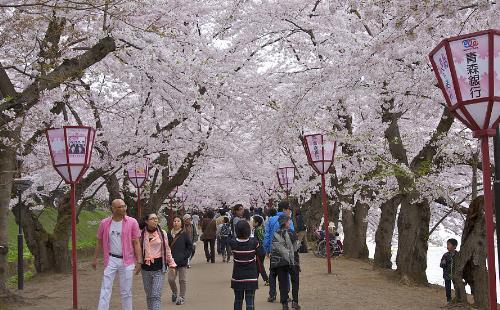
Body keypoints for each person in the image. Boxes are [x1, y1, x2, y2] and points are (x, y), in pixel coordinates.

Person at [93, 199, 142, 310]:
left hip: (127, 261)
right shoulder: (104, 223)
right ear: (113, 208)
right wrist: (95, 258)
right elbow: (99, 241)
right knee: (105, 288)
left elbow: (136, 242)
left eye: (124, 206)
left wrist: (139, 260)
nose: (124, 208)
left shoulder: (132, 222)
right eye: (120, 207)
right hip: (111, 259)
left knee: (126, 291)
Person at [139, 213, 177, 310]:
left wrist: (172, 264)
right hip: (145, 268)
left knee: (155, 295)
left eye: (156, 218)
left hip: (159, 268)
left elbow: (167, 249)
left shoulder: (162, 233)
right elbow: (137, 249)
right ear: (146, 221)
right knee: (149, 295)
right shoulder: (141, 233)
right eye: (152, 219)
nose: (155, 220)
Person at [264, 201, 295, 302]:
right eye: (289, 209)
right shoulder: (288, 220)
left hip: (274, 250)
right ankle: (285, 294)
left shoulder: (271, 220)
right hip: (285, 251)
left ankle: (272, 294)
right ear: (284, 209)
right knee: (286, 273)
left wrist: (267, 249)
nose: (290, 211)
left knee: (273, 273)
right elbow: (292, 235)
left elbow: (267, 236)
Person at [229, 220, 260, 310]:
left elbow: (230, 239)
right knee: (250, 301)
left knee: (238, 300)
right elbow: (260, 252)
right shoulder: (254, 242)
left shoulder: (233, 243)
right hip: (251, 277)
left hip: (238, 277)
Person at [269, 214, 295, 310]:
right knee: (287, 281)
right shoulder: (290, 232)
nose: (290, 223)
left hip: (277, 261)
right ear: (285, 223)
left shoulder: (276, 233)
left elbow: (274, 247)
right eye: (289, 221)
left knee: (282, 281)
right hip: (286, 261)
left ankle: (284, 303)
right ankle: (287, 300)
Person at [167, 216, 193, 305]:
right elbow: (166, 247)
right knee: (171, 279)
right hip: (171, 262)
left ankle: (182, 297)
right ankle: (174, 292)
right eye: (174, 221)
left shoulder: (184, 234)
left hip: (182, 261)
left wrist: (185, 256)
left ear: (181, 223)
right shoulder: (168, 234)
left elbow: (190, 246)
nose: (176, 222)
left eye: (178, 221)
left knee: (182, 280)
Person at [251, 215, 269, 285]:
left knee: (260, 265)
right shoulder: (262, 228)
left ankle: (267, 280)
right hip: (263, 249)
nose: (252, 223)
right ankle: (255, 279)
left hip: (259, 250)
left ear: (257, 223)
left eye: (253, 222)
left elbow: (257, 241)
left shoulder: (257, 230)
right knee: (258, 265)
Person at [440, 238, 458, 304]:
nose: (447, 246)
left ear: (454, 246)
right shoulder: (445, 255)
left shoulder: (457, 255)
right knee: (448, 287)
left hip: (455, 274)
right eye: (447, 244)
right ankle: (449, 299)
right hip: (447, 274)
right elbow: (441, 265)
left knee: (457, 286)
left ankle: (458, 297)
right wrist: (443, 263)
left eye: (449, 244)